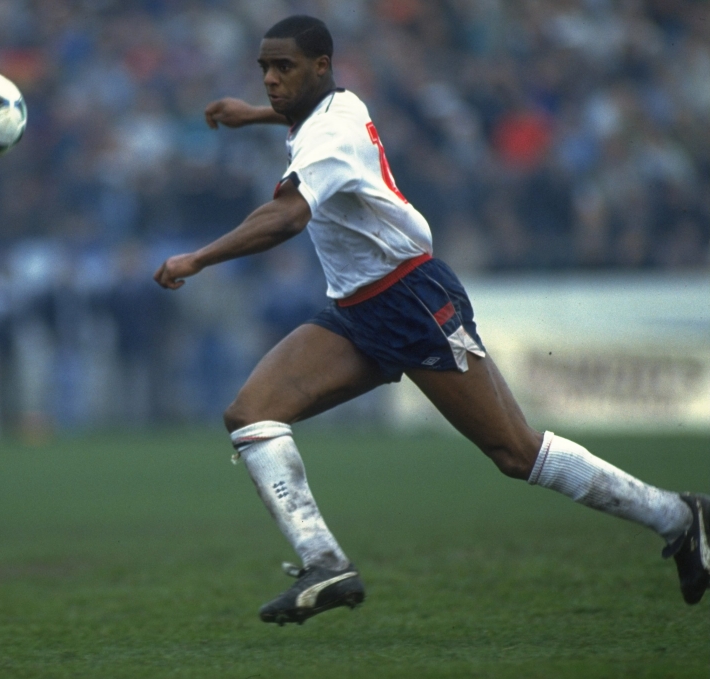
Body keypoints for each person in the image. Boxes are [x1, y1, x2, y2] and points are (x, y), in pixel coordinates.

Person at [152, 15, 709, 625]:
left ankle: (680, 517)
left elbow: (287, 217)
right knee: (250, 413)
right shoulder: (334, 105)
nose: (269, 78)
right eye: (263, 68)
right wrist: (251, 114)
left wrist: (198, 257)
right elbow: (302, 121)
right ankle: (325, 563)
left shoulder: (330, 137)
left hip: (412, 301)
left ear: (321, 65)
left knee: (515, 452)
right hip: (358, 310)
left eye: (282, 67)